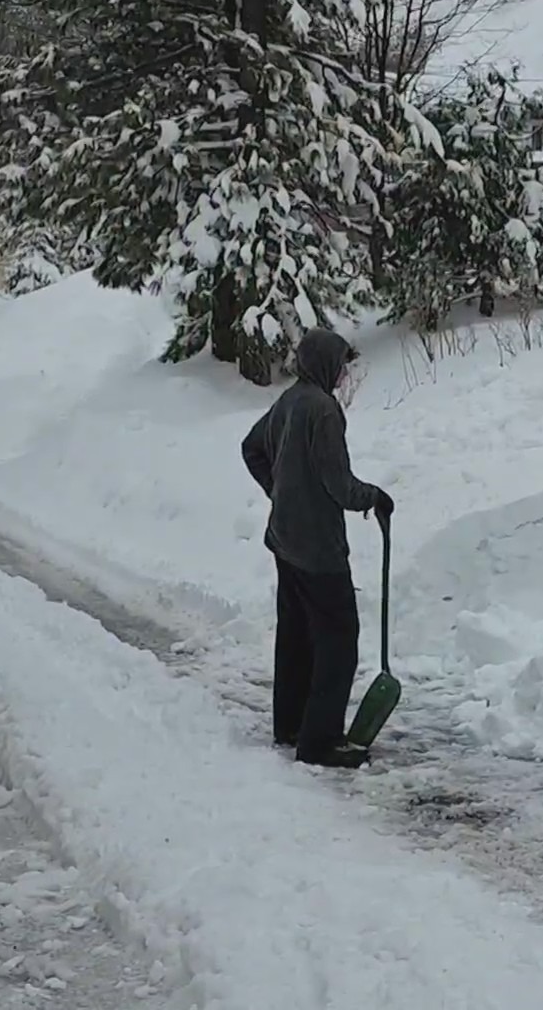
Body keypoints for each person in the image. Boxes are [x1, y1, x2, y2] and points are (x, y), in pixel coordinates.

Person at [241, 328, 395, 769]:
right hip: (317, 549)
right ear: (327, 364)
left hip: (285, 540)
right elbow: (340, 486)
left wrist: (281, 493)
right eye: (342, 365)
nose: (345, 374)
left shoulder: (291, 400)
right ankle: (321, 740)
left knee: (296, 635)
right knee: (338, 639)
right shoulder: (323, 411)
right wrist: (376, 498)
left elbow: (252, 448)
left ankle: (290, 725)